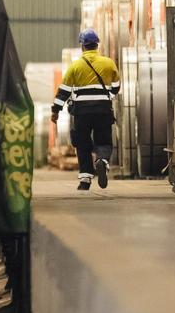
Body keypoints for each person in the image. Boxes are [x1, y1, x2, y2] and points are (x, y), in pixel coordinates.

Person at [50, 29, 121, 191]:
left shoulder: (75, 66)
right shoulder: (108, 63)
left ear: (82, 46)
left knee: (82, 144)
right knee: (103, 140)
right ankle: (102, 160)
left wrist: (55, 111)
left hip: (81, 112)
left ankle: (85, 180)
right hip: (103, 110)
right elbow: (116, 86)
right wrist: (107, 95)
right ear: (97, 45)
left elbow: (64, 91)